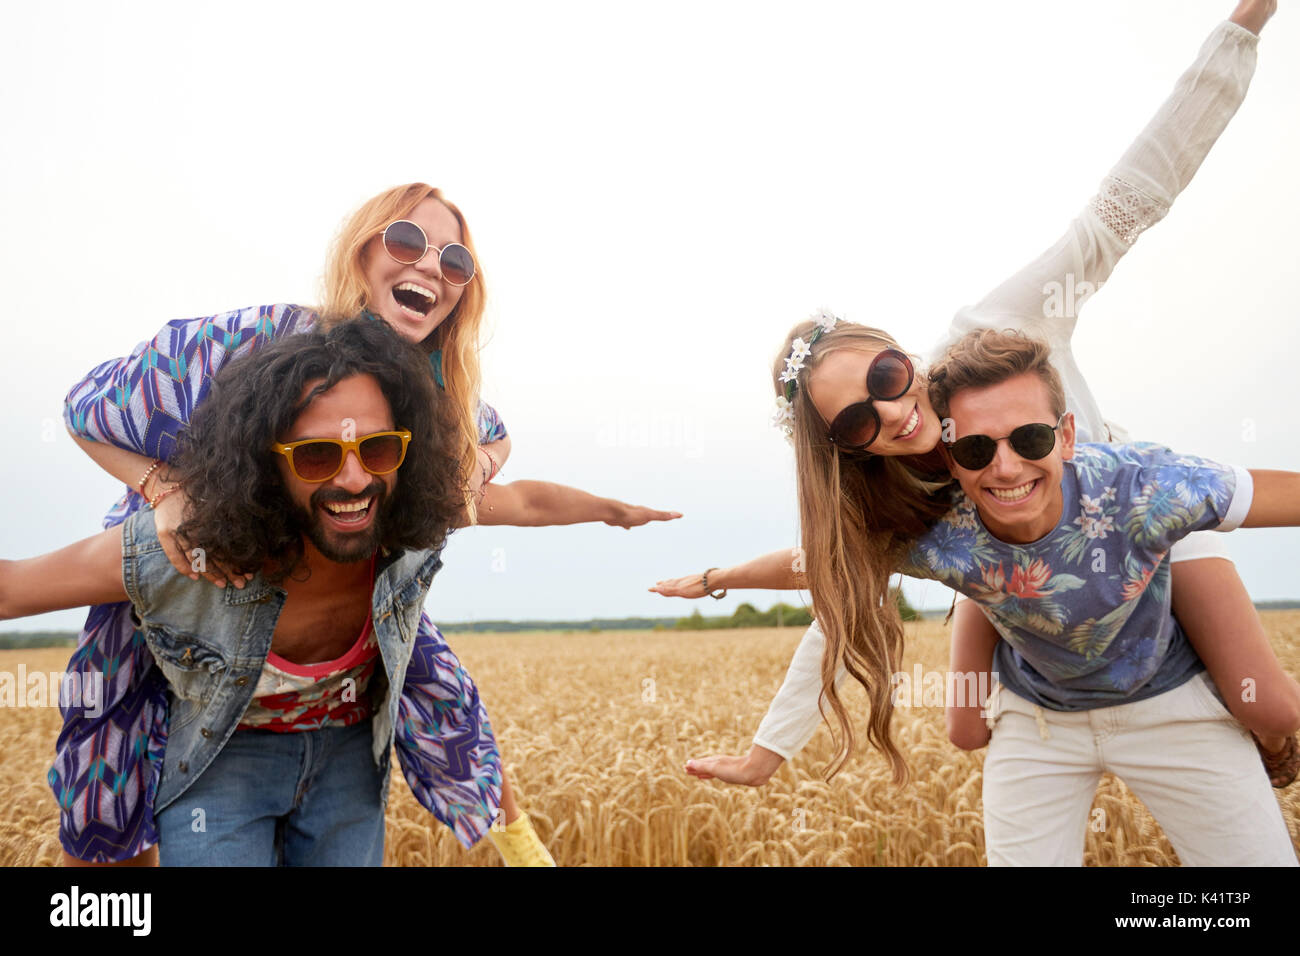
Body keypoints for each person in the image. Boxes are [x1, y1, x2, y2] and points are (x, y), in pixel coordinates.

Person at [651, 2, 1300, 796]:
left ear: (894, 345)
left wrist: (1241, 30)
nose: (890, 413)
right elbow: (831, 584)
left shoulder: (998, 330)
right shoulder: (890, 497)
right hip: (1010, 583)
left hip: (1132, 537)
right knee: (963, 725)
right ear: (842, 446)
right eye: (857, 421)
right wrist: (767, 749)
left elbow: (1124, 206)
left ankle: (1252, 737)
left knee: (1270, 705)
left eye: (888, 378)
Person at [54, 183, 679, 866]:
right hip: (191, 583)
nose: (430, 268)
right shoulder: (255, 339)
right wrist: (163, 489)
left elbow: (495, 441)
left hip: (350, 605)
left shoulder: (431, 390)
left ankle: (524, 852)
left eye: (455, 262)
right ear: (361, 252)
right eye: (407, 241)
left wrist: (498, 468)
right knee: (112, 756)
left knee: (446, 703)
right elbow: (87, 404)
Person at [9, 318, 525, 864]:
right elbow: (13, 590)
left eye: (377, 450)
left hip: (347, 763)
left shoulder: (400, 537)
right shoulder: (184, 545)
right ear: (263, 462)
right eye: (316, 455)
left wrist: (614, 511)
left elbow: (510, 475)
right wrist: (156, 484)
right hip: (221, 766)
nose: (352, 479)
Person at [902, 327, 1296, 864]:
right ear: (950, 457)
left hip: (1164, 685)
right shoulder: (941, 531)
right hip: (1039, 712)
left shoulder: (1148, 487)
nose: (1006, 466)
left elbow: (1277, 497)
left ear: (1066, 435)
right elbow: (820, 563)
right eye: (974, 449)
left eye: (1030, 439)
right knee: (965, 731)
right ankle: (984, 588)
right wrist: (739, 577)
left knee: (1273, 709)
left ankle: (1273, 742)